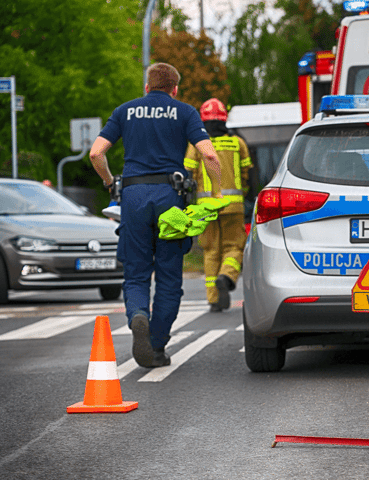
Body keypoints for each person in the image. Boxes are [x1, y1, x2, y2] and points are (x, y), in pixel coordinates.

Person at [89, 63, 223, 368]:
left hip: (133, 197)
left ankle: (138, 315)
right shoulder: (185, 112)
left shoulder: (125, 111)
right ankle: (157, 346)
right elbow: (210, 155)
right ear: (175, 88)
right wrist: (216, 191)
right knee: (168, 278)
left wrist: (110, 183)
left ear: (147, 87)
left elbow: (96, 152)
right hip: (170, 200)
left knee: (135, 274)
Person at [184, 98, 252, 312]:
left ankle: (213, 299)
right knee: (234, 247)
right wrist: (245, 194)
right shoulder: (237, 143)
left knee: (210, 251)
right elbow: (247, 175)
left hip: (206, 208)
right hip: (234, 206)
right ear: (224, 119)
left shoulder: (196, 144)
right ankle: (226, 276)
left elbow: (188, 175)